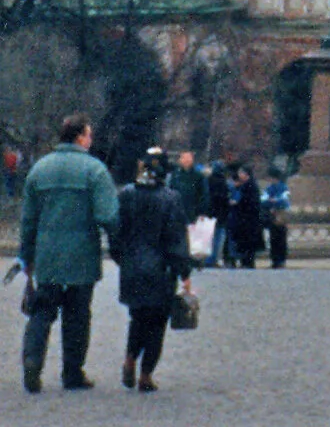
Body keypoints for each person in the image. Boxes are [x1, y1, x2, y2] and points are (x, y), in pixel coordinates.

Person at [18, 112, 120, 394]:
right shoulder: (95, 170)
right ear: (80, 137)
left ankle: (32, 360)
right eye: (89, 135)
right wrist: (118, 245)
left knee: (41, 312)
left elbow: (28, 220)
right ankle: (72, 372)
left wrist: (26, 256)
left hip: (47, 256)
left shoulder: (39, 169)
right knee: (77, 316)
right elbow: (108, 215)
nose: (91, 140)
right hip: (81, 257)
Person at [114, 148, 192, 393]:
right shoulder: (171, 198)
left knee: (137, 318)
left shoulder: (126, 194)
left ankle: (129, 358)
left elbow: (116, 233)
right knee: (157, 323)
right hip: (161, 269)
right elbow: (176, 239)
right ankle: (146, 375)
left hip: (132, 266)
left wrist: (122, 259)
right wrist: (184, 272)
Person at [228, 164, 264, 269]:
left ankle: (247, 262)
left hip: (248, 219)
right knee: (245, 242)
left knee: (248, 242)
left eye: (241, 173)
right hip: (246, 218)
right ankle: (245, 261)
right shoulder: (245, 185)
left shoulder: (250, 186)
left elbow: (249, 201)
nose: (239, 175)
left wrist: (237, 203)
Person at [168, 151, 207, 226]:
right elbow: (170, 190)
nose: (186, 160)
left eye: (188, 158)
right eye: (183, 158)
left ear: (192, 160)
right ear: (180, 160)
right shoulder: (175, 174)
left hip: (191, 211)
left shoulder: (198, 175)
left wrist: (202, 211)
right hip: (175, 211)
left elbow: (203, 194)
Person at [261, 172, 291, 268]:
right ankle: (275, 260)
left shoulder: (284, 188)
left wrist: (273, 202)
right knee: (273, 238)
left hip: (280, 215)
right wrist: (272, 201)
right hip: (272, 215)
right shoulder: (269, 188)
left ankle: (280, 260)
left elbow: (284, 200)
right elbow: (263, 200)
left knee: (280, 238)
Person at [206, 162, 231, 267]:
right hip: (221, 214)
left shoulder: (207, 181)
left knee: (208, 237)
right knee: (218, 238)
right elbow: (226, 200)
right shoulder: (224, 183)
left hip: (210, 213)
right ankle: (214, 258)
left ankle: (207, 259)